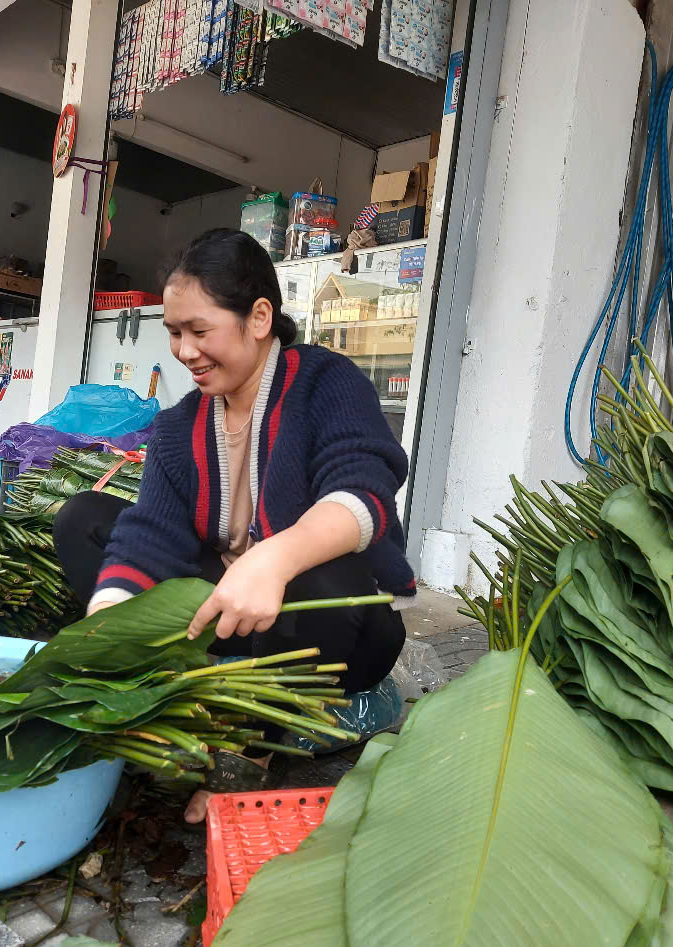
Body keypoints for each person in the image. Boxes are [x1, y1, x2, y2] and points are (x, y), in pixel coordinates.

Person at [53, 227, 415, 812]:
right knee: (83, 519)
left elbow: (364, 494)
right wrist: (112, 623)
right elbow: (152, 534)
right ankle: (174, 685)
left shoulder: (328, 383)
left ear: (259, 317)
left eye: (200, 330)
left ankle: (253, 747)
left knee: (323, 580)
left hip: (334, 630)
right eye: (173, 333)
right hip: (225, 609)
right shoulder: (181, 426)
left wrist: (273, 558)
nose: (184, 350)